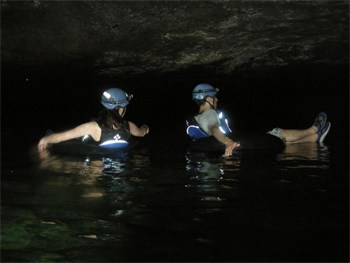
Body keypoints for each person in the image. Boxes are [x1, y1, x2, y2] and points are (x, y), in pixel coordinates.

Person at [186, 83, 331, 157]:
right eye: (214, 96)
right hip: (234, 145)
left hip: (224, 149)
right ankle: (314, 129)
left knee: (277, 140)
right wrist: (228, 142)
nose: (216, 99)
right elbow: (214, 129)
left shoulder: (195, 119)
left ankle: (314, 139)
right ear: (207, 99)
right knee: (277, 132)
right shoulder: (209, 114)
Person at [38, 87, 150, 153]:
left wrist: (45, 140)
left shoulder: (92, 127)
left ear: (104, 106)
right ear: (123, 108)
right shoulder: (130, 126)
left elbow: (59, 137)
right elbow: (142, 133)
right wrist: (145, 127)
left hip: (97, 163)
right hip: (120, 160)